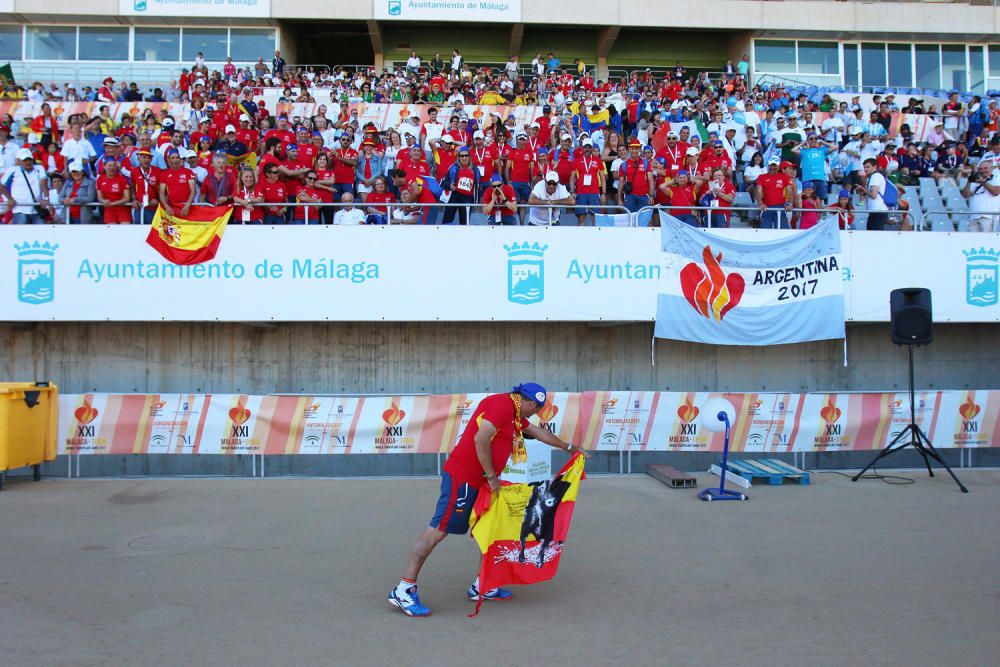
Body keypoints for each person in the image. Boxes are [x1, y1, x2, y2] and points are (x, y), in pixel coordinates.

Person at [388, 384, 590, 617]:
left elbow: (537, 432)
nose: (533, 415)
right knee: (439, 530)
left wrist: (570, 447)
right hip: (464, 477)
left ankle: (482, 585)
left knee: (491, 527)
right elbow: (480, 439)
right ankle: (403, 589)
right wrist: (492, 476)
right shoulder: (501, 405)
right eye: (535, 410)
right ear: (531, 404)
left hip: (481, 480)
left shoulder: (514, 413)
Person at [1, 148, 51, 224]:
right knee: (19, 234)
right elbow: (1, 185)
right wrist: (9, 199)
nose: (28, 162)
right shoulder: (13, 170)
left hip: (37, 208)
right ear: (19, 160)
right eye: (25, 160)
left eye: (29, 160)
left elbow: (43, 182)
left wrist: (46, 198)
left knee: (41, 233)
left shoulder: (39, 168)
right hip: (19, 208)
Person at [961, 160, 1000, 232]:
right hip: (973, 216)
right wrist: (969, 181)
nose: (983, 170)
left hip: (989, 216)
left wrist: (983, 182)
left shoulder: (997, 177)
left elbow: (996, 192)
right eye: (980, 169)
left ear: (991, 169)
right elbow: (965, 195)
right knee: (974, 242)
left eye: (985, 168)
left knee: (987, 241)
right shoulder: (976, 180)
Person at [755, 156, 793, 229]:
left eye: (775, 165)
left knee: (783, 232)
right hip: (766, 207)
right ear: (768, 165)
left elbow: (790, 191)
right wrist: (760, 203)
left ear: (778, 166)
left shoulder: (784, 176)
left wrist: (789, 204)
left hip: (781, 207)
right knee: (764, 232)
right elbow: (758, 191)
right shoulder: (761, 177)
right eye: (771, 165)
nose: (773, 167)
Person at [95, 156, 132, 224]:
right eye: (109, 165)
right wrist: (103, 201)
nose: (112, 168)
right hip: (109, 210)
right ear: (104, 166)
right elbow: (99, 197)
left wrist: (112, 204)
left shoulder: (122, 179)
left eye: (114, 166)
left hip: (122, 209)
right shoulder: (100, 179)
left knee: (126, 230)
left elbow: (127, 198)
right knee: (111, 232)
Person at [856, 158, 890, 231]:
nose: (865, 169)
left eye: (868, 167)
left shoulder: (875, 176)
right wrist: (863, 191)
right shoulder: (872, 177)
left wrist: (863, 189)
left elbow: (873, 195)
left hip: (878, 211)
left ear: (875, 167)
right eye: (864, 167)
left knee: (874, 235)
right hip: (876, 211)